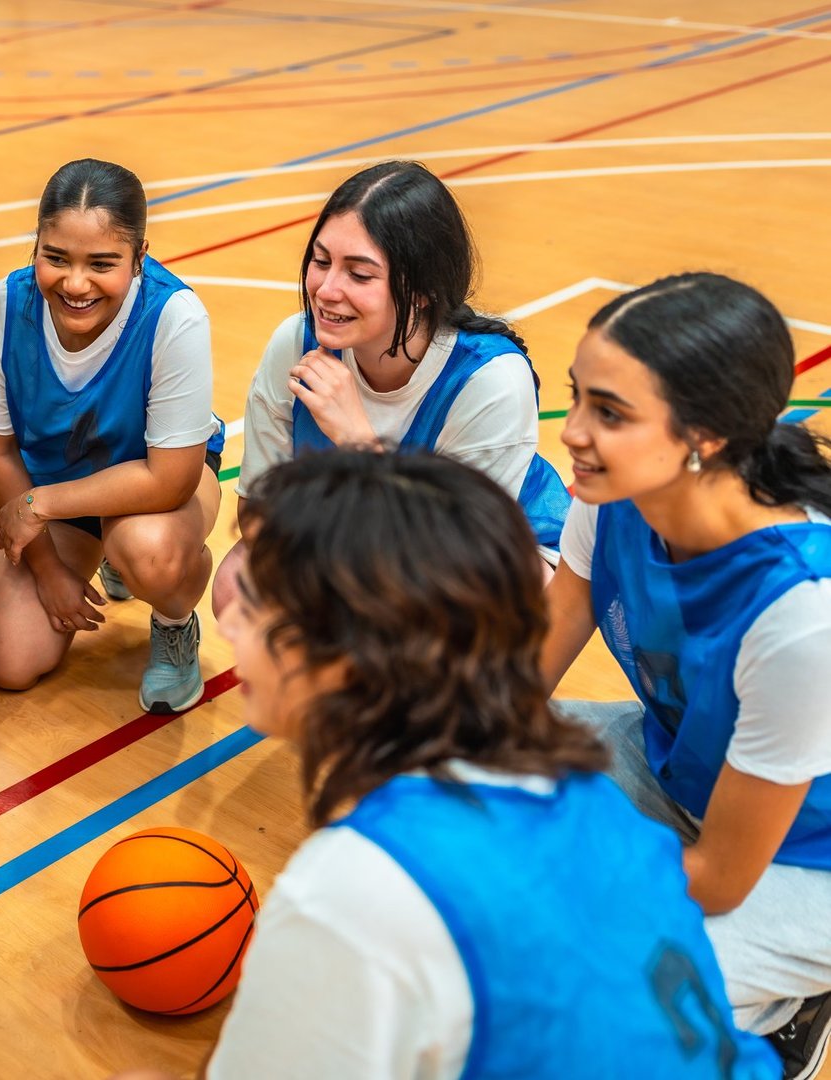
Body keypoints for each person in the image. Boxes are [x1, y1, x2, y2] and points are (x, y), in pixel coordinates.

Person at [203, 451, 779, 1077]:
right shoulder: (580, 786)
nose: (228, 620)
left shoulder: (346, 891)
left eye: (257, 602)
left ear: (342, 653)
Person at [542, 272, 831, 1079]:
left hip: (804, 854)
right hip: (687, 770)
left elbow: (722, 876)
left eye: (610, 412)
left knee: (595, 994)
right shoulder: (612, 496)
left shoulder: (804, 613)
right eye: (578, 398)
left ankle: (783, 1011)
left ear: (701, 435)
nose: (573, 431)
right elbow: (515, 683)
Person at [213, 159, 569, 616]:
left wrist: (361, 444)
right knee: (240, 588)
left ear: (422, 289)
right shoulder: (296, 342)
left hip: (482, 564)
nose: (325, 290)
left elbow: (455, 565)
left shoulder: (490, 380)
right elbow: (258, 517)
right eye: (321, 262)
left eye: (359, 275)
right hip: (350, 540)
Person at [0, 158, 224, 712]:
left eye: (102, 263)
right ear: (35, 245)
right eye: (55, 258)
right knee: (12, 664)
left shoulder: (174, 316)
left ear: (139, 258)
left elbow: (171, 478)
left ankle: (174, 620)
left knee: (147, 549)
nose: (76, 283)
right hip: (53, 496)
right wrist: (48, 569)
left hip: (153, 494)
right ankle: (104, 551)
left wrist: (40, 505)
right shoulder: (1, 311)